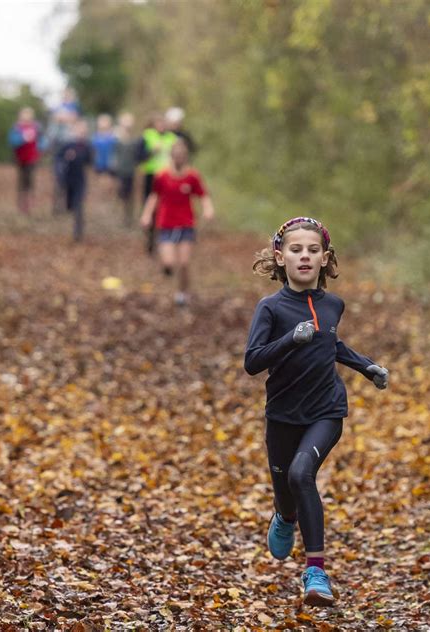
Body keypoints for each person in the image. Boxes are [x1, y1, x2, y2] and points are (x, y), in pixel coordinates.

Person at [244, 217, 389, 607]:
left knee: (301, 474)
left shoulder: (332, 304)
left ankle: (316, 571)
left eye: (312, 250)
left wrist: (366, 366)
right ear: (280, 257)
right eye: (295, 250)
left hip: (326, 410)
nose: (304, 256)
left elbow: (331, 344)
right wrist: (292, 338)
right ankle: (285, 517)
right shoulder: (270, 308)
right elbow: (253, 362)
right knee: (285, 491)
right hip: (282, 415)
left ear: (325, 259)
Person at [140, 139, 214, 305]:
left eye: (182, 156)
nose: (179, 159)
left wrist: (208, 209)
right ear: (172, 157)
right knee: (169, 262)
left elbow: (203, 195)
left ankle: (182, 292)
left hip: (186, 224)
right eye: (176, 156)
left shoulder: (192, 176)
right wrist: (146, 215)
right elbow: (154, 196)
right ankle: (166, 268)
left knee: (184, 263)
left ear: (186, 157)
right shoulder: (162, 176)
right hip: (166, 224)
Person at [136, 114, 177, 254]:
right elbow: (139, 156)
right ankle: (150, 239)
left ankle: (167, 237)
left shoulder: (172, 138)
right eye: (158, 123)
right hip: (151, 176)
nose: (161, 126)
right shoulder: (147, 137)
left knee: (166, 207)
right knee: (150, 206)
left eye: (163, 123)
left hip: (168, 178)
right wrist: (151, 151)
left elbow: (179, 155)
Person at [57, 119, 92, 242]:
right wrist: (66, 158)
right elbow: (58, 159)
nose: (81, 132)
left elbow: (90, 161)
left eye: (83, 130)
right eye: (79, 130)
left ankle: (78, 232)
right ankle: (73, 214)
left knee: (79, 206)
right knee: (70, 205)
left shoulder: (87, 146)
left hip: (80, 180)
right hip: (68, 179)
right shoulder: (67, 145)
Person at [8, 107, 44, 214]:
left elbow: (42, 141)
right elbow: (12, 141)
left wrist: (40, 150)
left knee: (30, 179)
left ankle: (29, 202)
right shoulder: (16, 128)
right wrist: (23, 138)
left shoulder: (36, 127)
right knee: (22, 180)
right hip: (20, 158)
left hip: (32, 158)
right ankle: (21, 202)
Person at [46, 106, 77, 214]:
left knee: (69, 182)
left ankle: (69, 206)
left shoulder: (70, 128)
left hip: (69, 160)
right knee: (59, 182)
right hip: (58, 159)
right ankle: (57, 207)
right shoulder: (53, 128)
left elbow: (73, 140)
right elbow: (51, 140)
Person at [112, 112, 138, 228]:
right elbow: (114, 154)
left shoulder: (134, 139)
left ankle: (128, 216)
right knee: (122, 193)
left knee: (130, 194)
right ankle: (121, 213)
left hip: (130, 170)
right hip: (120, 170)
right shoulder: (117, 138)